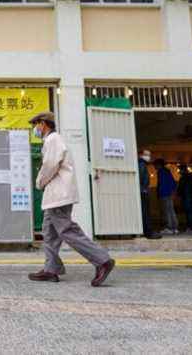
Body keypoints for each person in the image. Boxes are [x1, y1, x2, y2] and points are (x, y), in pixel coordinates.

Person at [27, 112, 115, 286]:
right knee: (49, 232)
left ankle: (102, 260)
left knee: (67, 230)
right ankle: (51, 269)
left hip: (58, 195)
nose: (34, 129)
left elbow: (50, 165)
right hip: (55, 195)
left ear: (44, 124)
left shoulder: (53, 140)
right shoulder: (54, 140)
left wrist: (39, 182)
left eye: (35, 125)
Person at [138, 151, 161, 239]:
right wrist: (144, 189)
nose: (148, 156)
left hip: (143, 191)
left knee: (145, 212)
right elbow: (141, 179)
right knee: (145, 212)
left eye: (149, 155)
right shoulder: (141, 165)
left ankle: (148, 231)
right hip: (143, 191)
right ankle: (148, 232)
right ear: (141, 155)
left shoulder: (142, 164)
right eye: (146, 155)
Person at [154, 159, 179, 235]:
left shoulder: (161, 172)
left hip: (164, 194)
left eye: (155, 165)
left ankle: (169, 228)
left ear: (159, 165)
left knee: (166, 211)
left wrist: (159, 193)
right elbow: (174, 183)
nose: (154, 166)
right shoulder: (167, 171)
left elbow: (161, 185)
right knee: (171, 210)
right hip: (169, 194)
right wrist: (173, 192)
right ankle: (175, 228)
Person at [177, 164, 192, 233]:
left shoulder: (184, 178)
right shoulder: (191, 177)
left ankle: (190, 227)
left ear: (183, 170)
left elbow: (181, 188)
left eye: (180, 169)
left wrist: (179, 194)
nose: (179, 171)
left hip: (187, 197)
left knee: (188, 212)